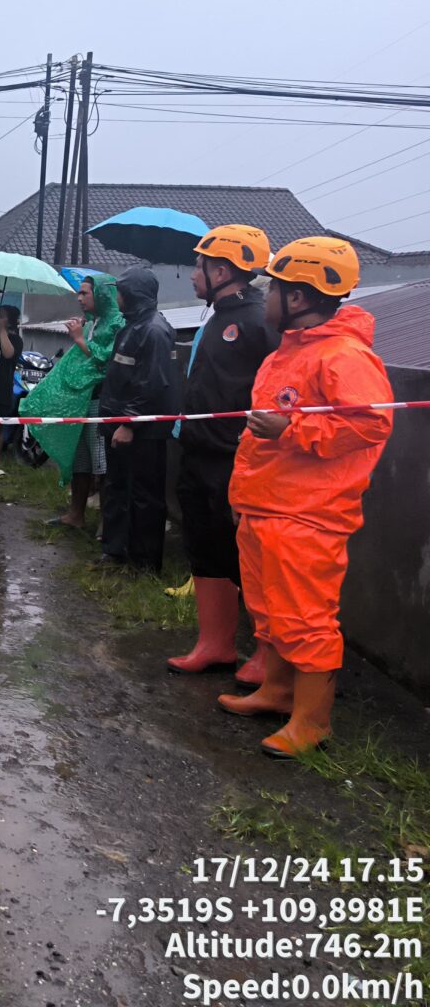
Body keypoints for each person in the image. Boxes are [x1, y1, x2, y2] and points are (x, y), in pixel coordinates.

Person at [217, 236, 394, 758]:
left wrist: (291, 432)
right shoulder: (289, 353)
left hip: (307, 514)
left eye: (273, 286)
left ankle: (312, 723)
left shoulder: (344, 356)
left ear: (298, 298)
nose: (265, 295)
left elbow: (369, 425)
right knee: (270, 609)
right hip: (266, 505)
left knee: (307, 618)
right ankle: (276, 693)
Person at [167, 226, 280, 677]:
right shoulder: (216, 315)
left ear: (221, 269)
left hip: (235, 459)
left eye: (199, 266)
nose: (193, 274)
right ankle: (214, 645)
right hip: (197, 452)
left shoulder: (259, 319)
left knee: (247, 558)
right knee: (205, 547)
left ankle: (265, 654)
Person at [20, 276, 124, 528]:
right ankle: (75, 515)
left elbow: (106, 362)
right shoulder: (94, 323)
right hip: (82, 400)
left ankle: (106, 526)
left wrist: (79, 339)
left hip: (101, 401)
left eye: (85, 293)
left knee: (102, 464)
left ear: (100, 294)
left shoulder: (118, 324)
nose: (79, 298)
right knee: (81, 461)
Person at [97, 268, 178, 571]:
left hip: (143, 431)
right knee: (117, 487)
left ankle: (144, 563)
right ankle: (115, 550)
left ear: (133, 295)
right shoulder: (133, 325)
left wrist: (129, 424)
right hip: (120, 424)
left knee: (144, 496)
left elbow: (152, 383)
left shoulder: (153, 330)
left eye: (119, 291)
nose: (115, 297)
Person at [0, 304, 22, 455]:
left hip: (2, 388)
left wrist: (2, 330)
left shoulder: (16, 340)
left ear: (9, 321)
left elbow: (8, 354)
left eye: (1, 315)